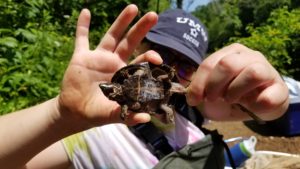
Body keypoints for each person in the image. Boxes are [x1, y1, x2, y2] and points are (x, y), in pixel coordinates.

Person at [0, 5, 289, 169]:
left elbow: (264, 116)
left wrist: (274, 101)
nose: (170, 72)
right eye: (162, 54)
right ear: (141, 47)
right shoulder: (99, 125)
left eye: (185, 65)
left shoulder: (195, 106)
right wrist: (59, 115)